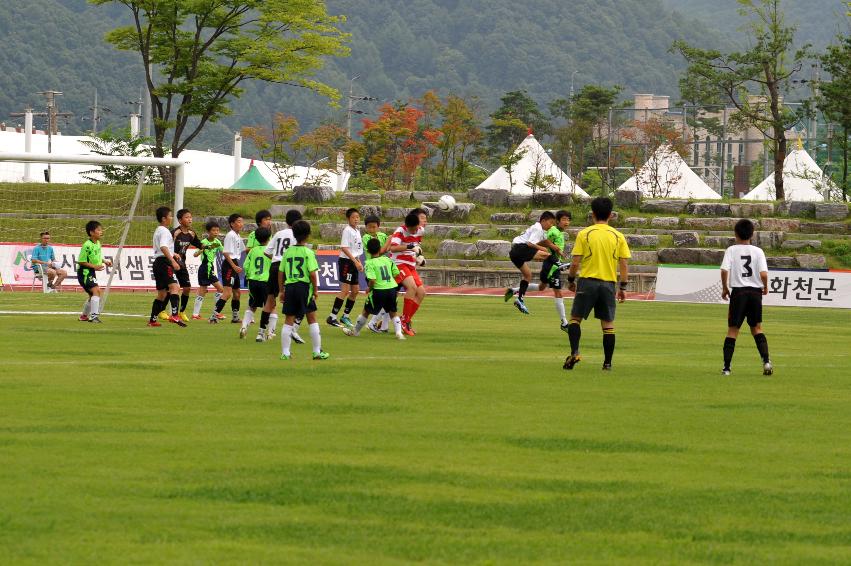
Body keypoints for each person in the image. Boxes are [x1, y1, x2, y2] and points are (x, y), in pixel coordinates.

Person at [563, 197, 630, 371]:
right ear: (611, 215)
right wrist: (623, 287)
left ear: (592, 214)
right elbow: (623, 263)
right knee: (608, 324)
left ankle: (575, 352)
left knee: (575, 319)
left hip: (587, 282)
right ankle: (607, 363)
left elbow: (576, 262)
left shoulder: (585, 234)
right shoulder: (618, 236)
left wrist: (570, 280)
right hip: (608, 284)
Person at [720, 218, 773, 376]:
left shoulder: (731, 250)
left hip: (739, 292)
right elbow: (763, 273)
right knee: (757, 328)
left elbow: (724, 270)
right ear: (752, 234)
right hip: (755, 293)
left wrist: (725, 287)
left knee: (733, 330)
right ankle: (766, 362)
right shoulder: (758, 251)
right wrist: (765, 286)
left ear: (736, 233)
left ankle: (727, 368)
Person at [279, 220, 329, 360]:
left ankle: (285, 353)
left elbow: (281, 272)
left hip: (290, 287)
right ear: (308, 235)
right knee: (311, 318)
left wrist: (281, 290)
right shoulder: (308, 252)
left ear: (294, 234)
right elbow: (313, 274)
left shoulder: (288, 252)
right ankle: (317, 352)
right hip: (303, 287)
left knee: (289, 319)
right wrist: (316, 291)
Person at [342, 237, 406, 340]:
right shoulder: (387, 259)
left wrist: (369, 288)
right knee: (393, 312)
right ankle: (399, 333)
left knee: (366, 311)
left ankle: (355, 332)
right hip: (391, 289)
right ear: (380, 248)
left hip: (379, 290)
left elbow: (372, 280)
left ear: (367, 250)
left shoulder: (369, 263)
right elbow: (396, 273)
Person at [504, 211, 563, 315]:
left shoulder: (541, 230)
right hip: (520, 248)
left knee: (528, 275)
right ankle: (559, 264)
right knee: (546, 255)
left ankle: (520, 300)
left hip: (514, 252)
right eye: (550, 223)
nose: (551, 225)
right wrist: (543, 248)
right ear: (543, 221)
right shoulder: (538, 228)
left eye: (553, 224)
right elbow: (530, 243)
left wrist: (553, 247)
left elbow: (545, 241)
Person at [261, 209, 304, 343]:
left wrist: (275, 258)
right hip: (289, 268)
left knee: (269, 301)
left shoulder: (279, 233)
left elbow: (267, 251)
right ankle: (293, 329)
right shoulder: (297, 235)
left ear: (286, 221)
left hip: (275, 266)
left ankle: (260, 333)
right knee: (297, 299)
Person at [388, 210, 426, 336]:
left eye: (416, 229)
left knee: (421, 293)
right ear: (407, 227)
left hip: (410, 265)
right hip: (398, 264)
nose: (415, 231)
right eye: (413, 230)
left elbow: (417, 247)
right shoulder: (400, 231)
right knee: (412, 288)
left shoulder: (420, 230)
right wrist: (409, 247)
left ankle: (405, 319)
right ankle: (404, 322)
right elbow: (392, 248)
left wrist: (419, 257)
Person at [148, 207, 186, 328]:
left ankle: (152, 320)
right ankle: (174, 315)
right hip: (164, 262)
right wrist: (172, 261)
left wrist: (172, 253)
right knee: (175, 287)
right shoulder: (164, 231)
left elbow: (162, 247)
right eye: (170, 216)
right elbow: (163, 247)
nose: (171, 218)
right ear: (164, 218)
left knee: (162, 294)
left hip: (158, 263)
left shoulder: (158, 230)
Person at [327, 208, 363, 328]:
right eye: (353, 217)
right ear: (348, 219)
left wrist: (358, 262)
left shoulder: (357, 231)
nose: (356, 219)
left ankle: (345, 316)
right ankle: (332, 317)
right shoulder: (347, 230)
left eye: (357, 217)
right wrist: (354, 261)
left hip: (354, 261)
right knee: (345, 290)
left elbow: (356, 250)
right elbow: (345, 248)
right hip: (346, 262)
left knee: (356, 290)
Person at [171, 209, 205, 322]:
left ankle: (182, 311)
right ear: (180, 220)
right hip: (171, 263)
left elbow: (199, 244)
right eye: (187, 217)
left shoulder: (191, 233)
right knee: (170, 288)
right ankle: (163, 311)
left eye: (190, 217)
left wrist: (207, 245)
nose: (190, 219)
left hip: (182, 264)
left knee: (187, 288)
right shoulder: (175, 233)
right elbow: (166, 246)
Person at [210, 213, 245, 324]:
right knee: (228, 292)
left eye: (241, 221)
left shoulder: (237, 236)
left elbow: (244, 250)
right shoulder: (230, 235)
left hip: (234, 265)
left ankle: (235, 317)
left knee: (237, 293)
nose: (241, 224)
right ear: (232, 224)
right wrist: (234, 266)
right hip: (230, 266)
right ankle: (213, 316)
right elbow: (225, 252)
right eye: (238, 221)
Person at [240, 226, 272, 341]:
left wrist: (248, 276)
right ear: (269, 238)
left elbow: (245, 266)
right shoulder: (270, 250)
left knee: (252, 305)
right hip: (266, 281)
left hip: (253, 281)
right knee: (269, 306)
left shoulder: (253, 250)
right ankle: (266, 332)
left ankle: (244, 327)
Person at [76, 220, 112, 323]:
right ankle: (94, 316)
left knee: (92, 295)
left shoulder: (97, 243)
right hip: (84, 272)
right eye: (99, 230)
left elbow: (96, 258)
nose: (101, 232)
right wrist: (94, 267)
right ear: (91, 232)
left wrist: (104, 261)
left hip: (90, 271)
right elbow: (81, 261)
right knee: (97, 291)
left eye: (101, 230)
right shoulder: (87, 245)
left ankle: (84, 316)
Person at [361, 215, 392, 332]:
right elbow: (379, 252)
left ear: (378, 227)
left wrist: (390, 242)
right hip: (373, 271)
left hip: (383, 269)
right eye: (369, 227)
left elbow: (389, 248)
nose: (372, 229)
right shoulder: (366, 238)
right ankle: (372, 323)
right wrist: (388, 241)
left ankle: (382, 326)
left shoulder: (382, 236)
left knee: (387, 300)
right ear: (366, 228)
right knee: (379, 300)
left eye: (374, 227)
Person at [192, 220, 225, 319]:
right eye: (213, 230)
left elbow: (224, 252)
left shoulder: (217, 242)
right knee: (220, 289)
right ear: (208, 232)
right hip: (206, 267)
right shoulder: (204, 242)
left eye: (217, 230)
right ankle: (216, 312)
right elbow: (195, 254)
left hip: (210, 267)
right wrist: (202, 249)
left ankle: (195, 314)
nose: (216, 232)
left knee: (203, 291)